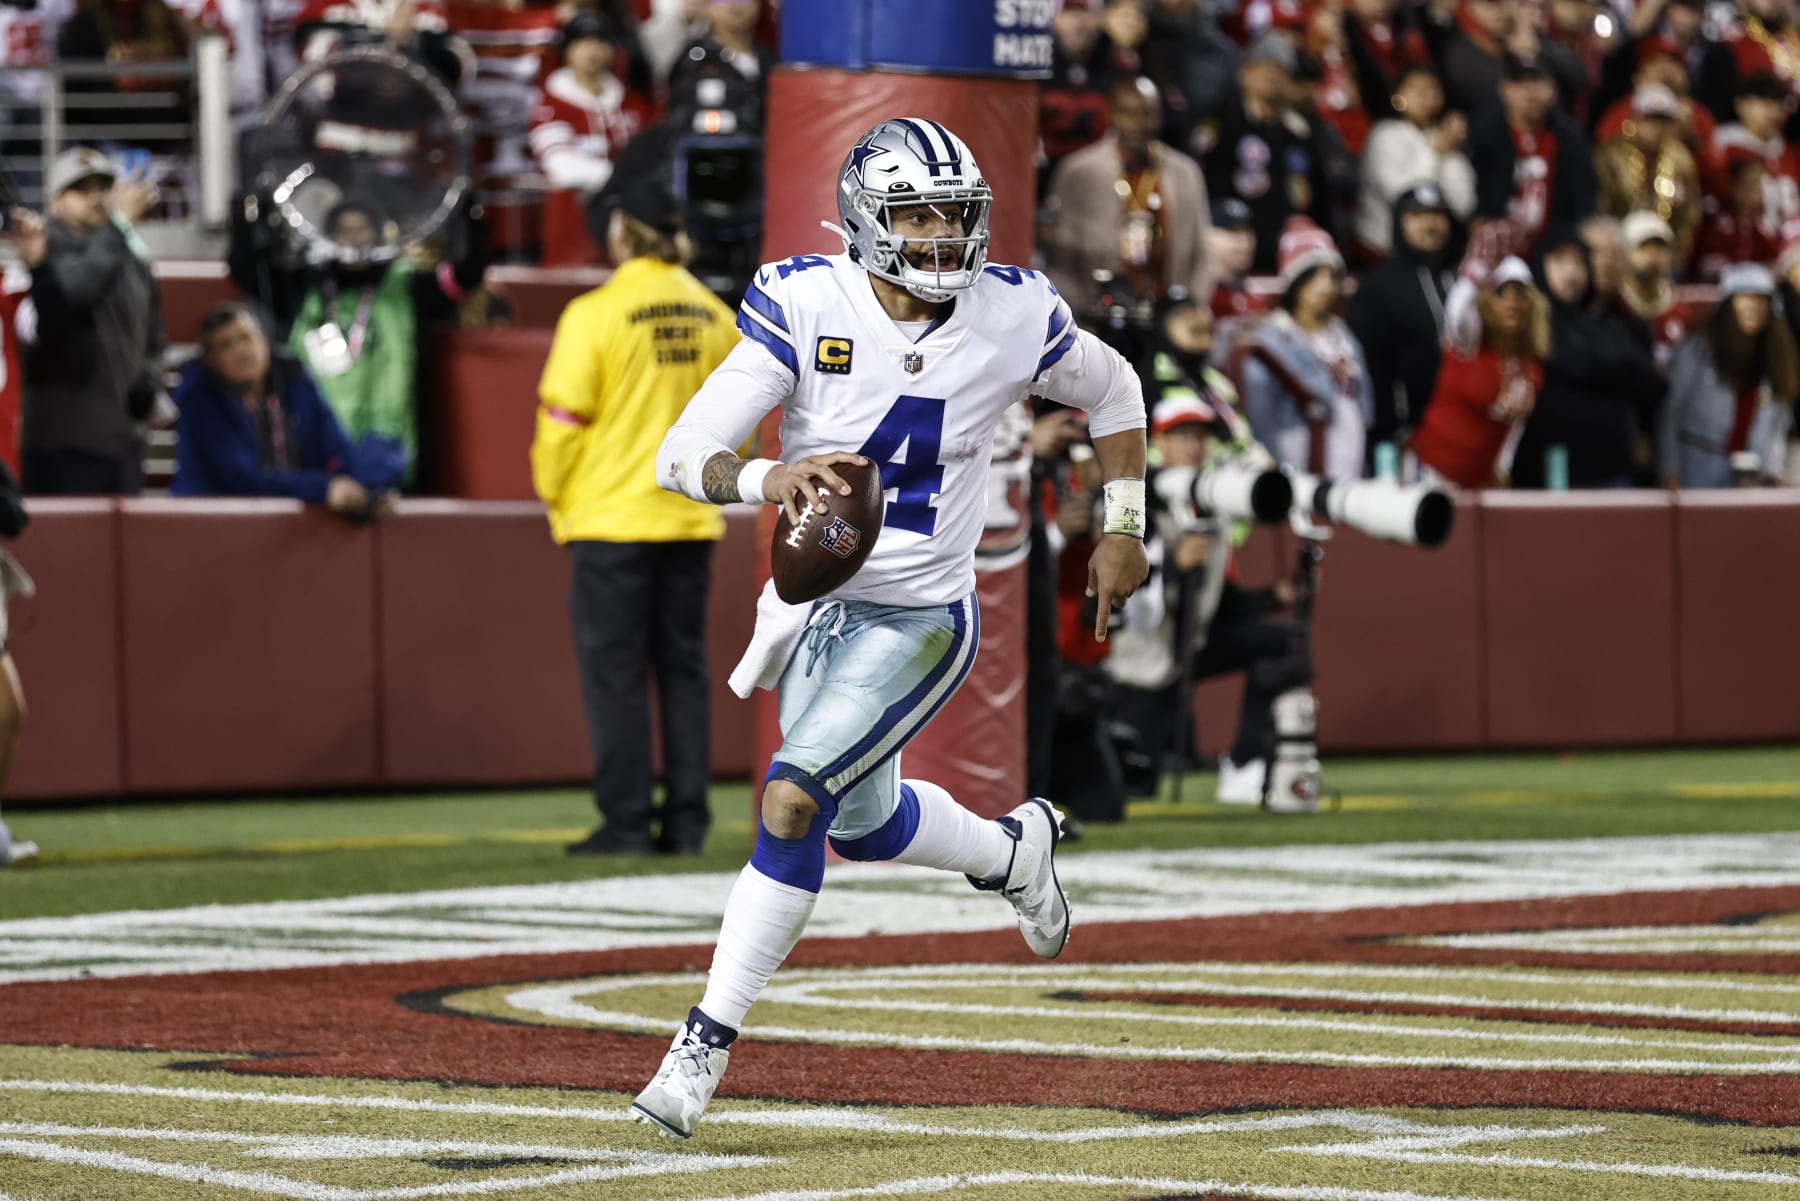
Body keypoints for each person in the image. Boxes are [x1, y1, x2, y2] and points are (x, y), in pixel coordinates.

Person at [637, 117, 1149, 1140]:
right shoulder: (804, 300)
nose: (940, 236)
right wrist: (762, 474)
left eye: (955, 215)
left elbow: (1117, 388)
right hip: (818, 607)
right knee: (863, 827)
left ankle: (700, 1045)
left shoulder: (1013, 313)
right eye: (915, 213)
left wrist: (1124, 524)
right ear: (867, 219)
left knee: (790, 802)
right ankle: (1013, 850)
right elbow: (679, 452)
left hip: (919, 615)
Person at [532, 177, 737, 858]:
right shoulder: (714, 313)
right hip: (688, 522)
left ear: (619, 231)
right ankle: (687, 823)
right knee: (684, 672)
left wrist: (555, 496)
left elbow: (562, 423)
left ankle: (623, 824)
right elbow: (747, 424)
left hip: (609, 518)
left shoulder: (593, 314)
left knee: (614, 676)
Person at [21, 146, 163, 496]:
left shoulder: (130, 256)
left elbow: (154, 335)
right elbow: (76, 292)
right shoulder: (43, 251)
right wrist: (119, 227)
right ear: (55, 203)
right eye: (82, 190)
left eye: (103, 188)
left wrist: (150, 378)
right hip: (63, 443)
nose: (97, 198)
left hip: (124, 439)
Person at [170, 303, 402, 514]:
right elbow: (238, 481)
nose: (241, 351)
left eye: (246, 338)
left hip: (297, 524)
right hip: (216, 527)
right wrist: (323, 488)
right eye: (225, 345)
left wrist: (367, 491)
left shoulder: (294, 380)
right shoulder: (200, 399)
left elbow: (338, 451)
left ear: (264, 339)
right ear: (209, 359)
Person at [1043, 75, 1214, 317]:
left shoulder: (1186, 172)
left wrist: (1190, 308)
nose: (1138, 123)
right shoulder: (1078, 172)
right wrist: (1082, 315)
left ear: (1160, 115)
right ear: (1112, 113)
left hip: (1168, 318)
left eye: (1147, 113)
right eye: (1128, 112)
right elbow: (1060, 259)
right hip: (1095, 318)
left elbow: (1203, 251)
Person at [1513, 225, 1666, 488]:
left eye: (1579, 263)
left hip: (1614, 470)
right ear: (1541, 266)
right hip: (1554, 470)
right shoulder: (1532, 323)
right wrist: (1620, 372)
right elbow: (1573, 363)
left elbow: (1654, 382)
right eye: (1560, 261)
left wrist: (1605, 368)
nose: (1571, 272)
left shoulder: (1605, 323)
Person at [1408, 227, 1549, 488]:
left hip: (1479, 480)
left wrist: (1503, 466)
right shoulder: (1473, 341)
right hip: (1433, 472)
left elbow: (1516, 425)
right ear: (1486, 300)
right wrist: (1474, 274)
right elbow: (1457, 314)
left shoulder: (1530, 359)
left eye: (1520, 294)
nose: (1511, 303)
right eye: (1501, 294)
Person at [1240, 217, 1373, 479]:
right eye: (1314, 276)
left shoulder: (1344, 335)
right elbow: (1260, 413)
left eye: (1332, 276)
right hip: (1297, 454)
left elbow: (1364, 404)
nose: (1325, 286)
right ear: (1295, 281)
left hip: (1349, 452)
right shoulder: (1272, 340)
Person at [529, 11, 653, 266]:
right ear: (566, 51)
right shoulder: (552, 105)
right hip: (572, 238)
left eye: (600, 41)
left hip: (629, 239)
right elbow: (561, 167)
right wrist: (622, 178)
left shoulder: (633, 105)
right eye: (582, 42)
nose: (592, 50)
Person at [1662, 261, 1798, 486]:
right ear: (1728, 303)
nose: (1754, 306)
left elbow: (1779, 422)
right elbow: (1670, 410)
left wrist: (1773, 471)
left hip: (1754, 473)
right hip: (1700, 464)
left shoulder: (1776, 356)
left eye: (1762, 299)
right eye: (1745, 297)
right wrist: (1668, 469)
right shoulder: (1699, 348)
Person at [1349, 182, 1459, 452]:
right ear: (1400, 223)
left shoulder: (1463, 280)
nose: (1429, 225)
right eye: (1417, 216)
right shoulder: (1377, 285)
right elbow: (1369, 363)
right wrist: (1390, 425)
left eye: (1437, 215)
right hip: (1401, 432)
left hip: (1458, 428)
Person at [1468, 49, 1599, 255]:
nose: (1529, 92)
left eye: (1537, 81)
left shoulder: (1571, 139)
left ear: (1553, 90)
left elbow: (1583, 202)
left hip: (1555, 254)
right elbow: (1475, 204)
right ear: (1504, 89)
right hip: (1493, 251)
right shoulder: (1481, 136)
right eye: (1519, 82)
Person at [1354, 67, 1476, 259]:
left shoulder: (1444, 137)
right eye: (1417, 89)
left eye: (1432, 89)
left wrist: (1444, 148)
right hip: (1380, 247)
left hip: (1436, 250)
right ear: (1397, 94)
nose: (1425, 96)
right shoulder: (1384, 134)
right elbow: (1402, 194)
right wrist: (1436, 152)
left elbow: (1463, 203)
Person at [1594, 83, 1703, 255]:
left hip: (1666, 250)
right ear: (1635, 118)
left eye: (1663, 120)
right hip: (1620, 245)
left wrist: (1677, 253)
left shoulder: (1682, 159)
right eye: (1649, 119)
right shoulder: (1610, 156)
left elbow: (1689, 213)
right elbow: (1602, 208)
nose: (1656, 128)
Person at [1619, 209, 1694, 365]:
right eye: (1643, 246)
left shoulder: (1681, 310)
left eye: (1660, 247)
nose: (1653, 255)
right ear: (1624, 252)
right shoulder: (1615, 306)